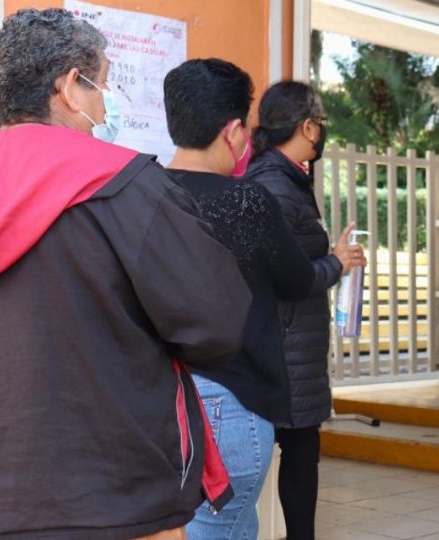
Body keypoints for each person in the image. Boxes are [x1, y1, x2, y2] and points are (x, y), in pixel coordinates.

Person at [0, 9, 251, 540]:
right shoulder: (129, 187)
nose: (104, 103)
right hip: (123, 505)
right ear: (71, 88)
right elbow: (219, 320)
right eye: (103, 86)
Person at [164, 60, 320, 539]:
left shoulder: (142, 194)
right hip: (229, 405)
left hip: (156, 402)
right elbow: (297, 282)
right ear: (233, 132)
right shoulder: (247, 202)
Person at [246, 80, 366, 539]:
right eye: (321, 125)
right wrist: (336, 262)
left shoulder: (285, 179)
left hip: (292, 343)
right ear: (309, 126)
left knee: (299, 456)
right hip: (286, 344)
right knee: (298, 458)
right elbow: (285, 276)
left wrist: (334, 258)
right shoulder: (276, 186)